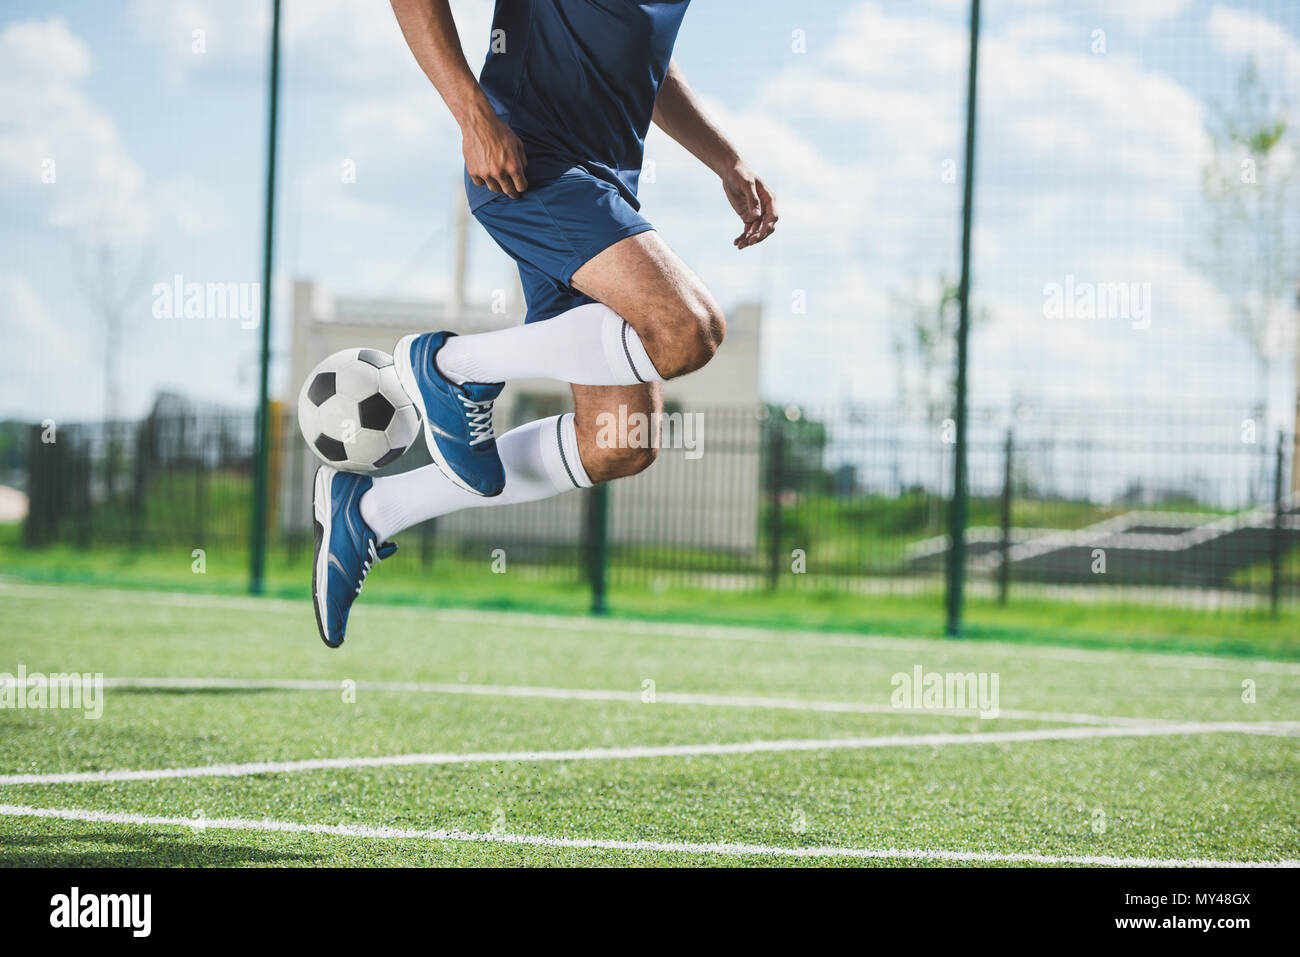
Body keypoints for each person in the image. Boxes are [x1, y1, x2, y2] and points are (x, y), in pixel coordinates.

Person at [312, 0, 778, 647]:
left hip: (604, 186)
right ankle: (449, 367)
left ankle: (369, 510)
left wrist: (727, 160)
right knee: (687, 329)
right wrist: (472, 114)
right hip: (531, 164)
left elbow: (647, 58)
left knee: (621, 439)